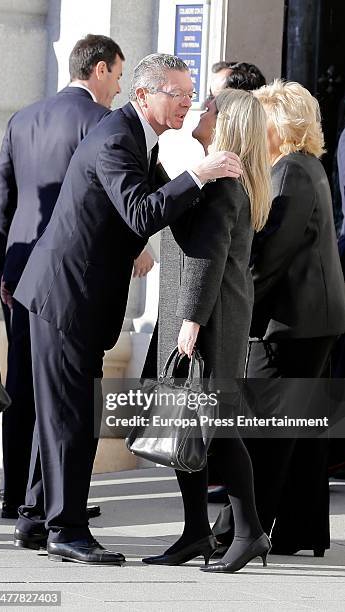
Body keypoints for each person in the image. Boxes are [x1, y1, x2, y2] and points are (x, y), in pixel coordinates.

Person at [11, 53, 242, 565]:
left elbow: (157, 202)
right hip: (65, 297)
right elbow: (142, 210)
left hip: (71, 296)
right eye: (177, 94)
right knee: (72, 418)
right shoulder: (117, 136)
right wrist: (201, 172)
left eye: (190, 94)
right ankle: (65, 530)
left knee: (61, 412)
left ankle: (35, 517)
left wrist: (201, 169)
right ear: (144, 95)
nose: (186, 102)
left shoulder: (139, 137)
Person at [0, 34, 150, 521]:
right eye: (118, 75)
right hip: (69, 274)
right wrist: (137, 245)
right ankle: (50, 501)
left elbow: (1, 197)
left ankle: (20, 496)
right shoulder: (102, 124)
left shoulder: (22, 117)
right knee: (61, 393)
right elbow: (110, 198)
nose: (118, 88)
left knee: (22, 385)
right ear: (98, 69)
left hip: (19, 271)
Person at [142, 88, 272, 573]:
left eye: (211, 108)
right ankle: (196, 530)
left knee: (213, 428)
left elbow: (208, 255)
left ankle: (250, 531)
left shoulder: (224, 180)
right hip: (194, 314)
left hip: (206, 319)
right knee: (186, 423)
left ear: (227, 124)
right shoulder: (214, 173)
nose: (202, 112)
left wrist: (192, 321)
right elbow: (180, 222)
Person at [214, 80, 345, 557]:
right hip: (314, 321)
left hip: (291, 325)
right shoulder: (307, 166)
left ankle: (241, 532)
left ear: (280, 123)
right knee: (302, 432)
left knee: (265, 431)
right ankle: (300, 530)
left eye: (264, 118)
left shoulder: (290, 169)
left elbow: (268, 259)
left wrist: (231, 306)